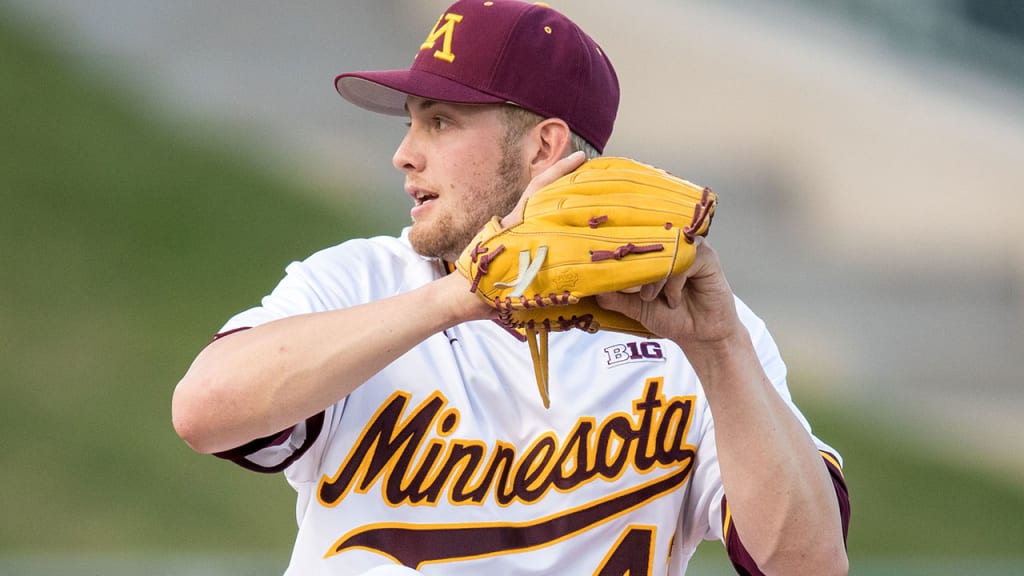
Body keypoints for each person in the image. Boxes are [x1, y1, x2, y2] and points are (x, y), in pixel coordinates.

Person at [172, 1, 850, 575]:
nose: (404, 153)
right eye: (410, 122)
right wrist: (460, 296)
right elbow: (203, 413)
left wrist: (721, 352)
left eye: (440, 122)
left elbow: (810, 566)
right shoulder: (361, 282)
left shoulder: (699, 335)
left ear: (543, 147)